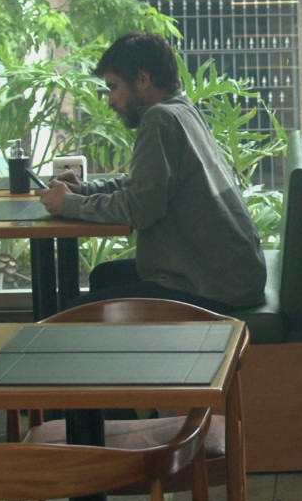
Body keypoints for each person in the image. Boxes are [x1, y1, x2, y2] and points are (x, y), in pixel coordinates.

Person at [41, 32, 268, 314]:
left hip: (213, 287)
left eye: (113, 87)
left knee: (73, 315)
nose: (110, 101)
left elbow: (139, 208)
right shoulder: (181, 110)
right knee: (102, 277)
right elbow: (148, 185)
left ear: (143, 80)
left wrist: (68, 204)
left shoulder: (160, 119)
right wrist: (86, 189)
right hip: (230, 275)